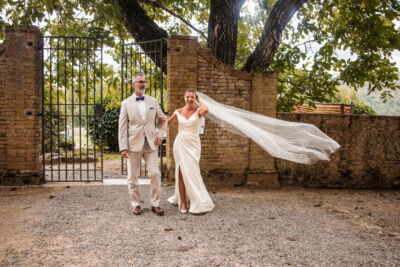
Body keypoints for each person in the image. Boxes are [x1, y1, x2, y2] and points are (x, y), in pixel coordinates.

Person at [118, 74, 167, 216]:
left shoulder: (153, 101)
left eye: (144, 82)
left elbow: (163, 119)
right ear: (133, 84)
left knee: (155, 173)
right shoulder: (126, 103)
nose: (143, 84)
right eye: (140, 82)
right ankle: (136, 204)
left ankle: (156, 204)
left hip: (151, 144)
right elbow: (122, 126)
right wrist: (123, 147)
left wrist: (160, 135)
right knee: (132, 176)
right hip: (133, 144)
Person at [167, 89, 215, 214]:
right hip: (180, 142)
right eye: (188, 97)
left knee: (192, 171)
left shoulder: (198, 111)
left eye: (192, 97)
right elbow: (167, 124)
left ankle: (196, 198)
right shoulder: (178, 112)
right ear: (184, 97)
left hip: (193, 144)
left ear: (195, 99)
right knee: (181, 171)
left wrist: (199, 100)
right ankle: (184, 201)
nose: (189, 99)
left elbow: (206, 110)